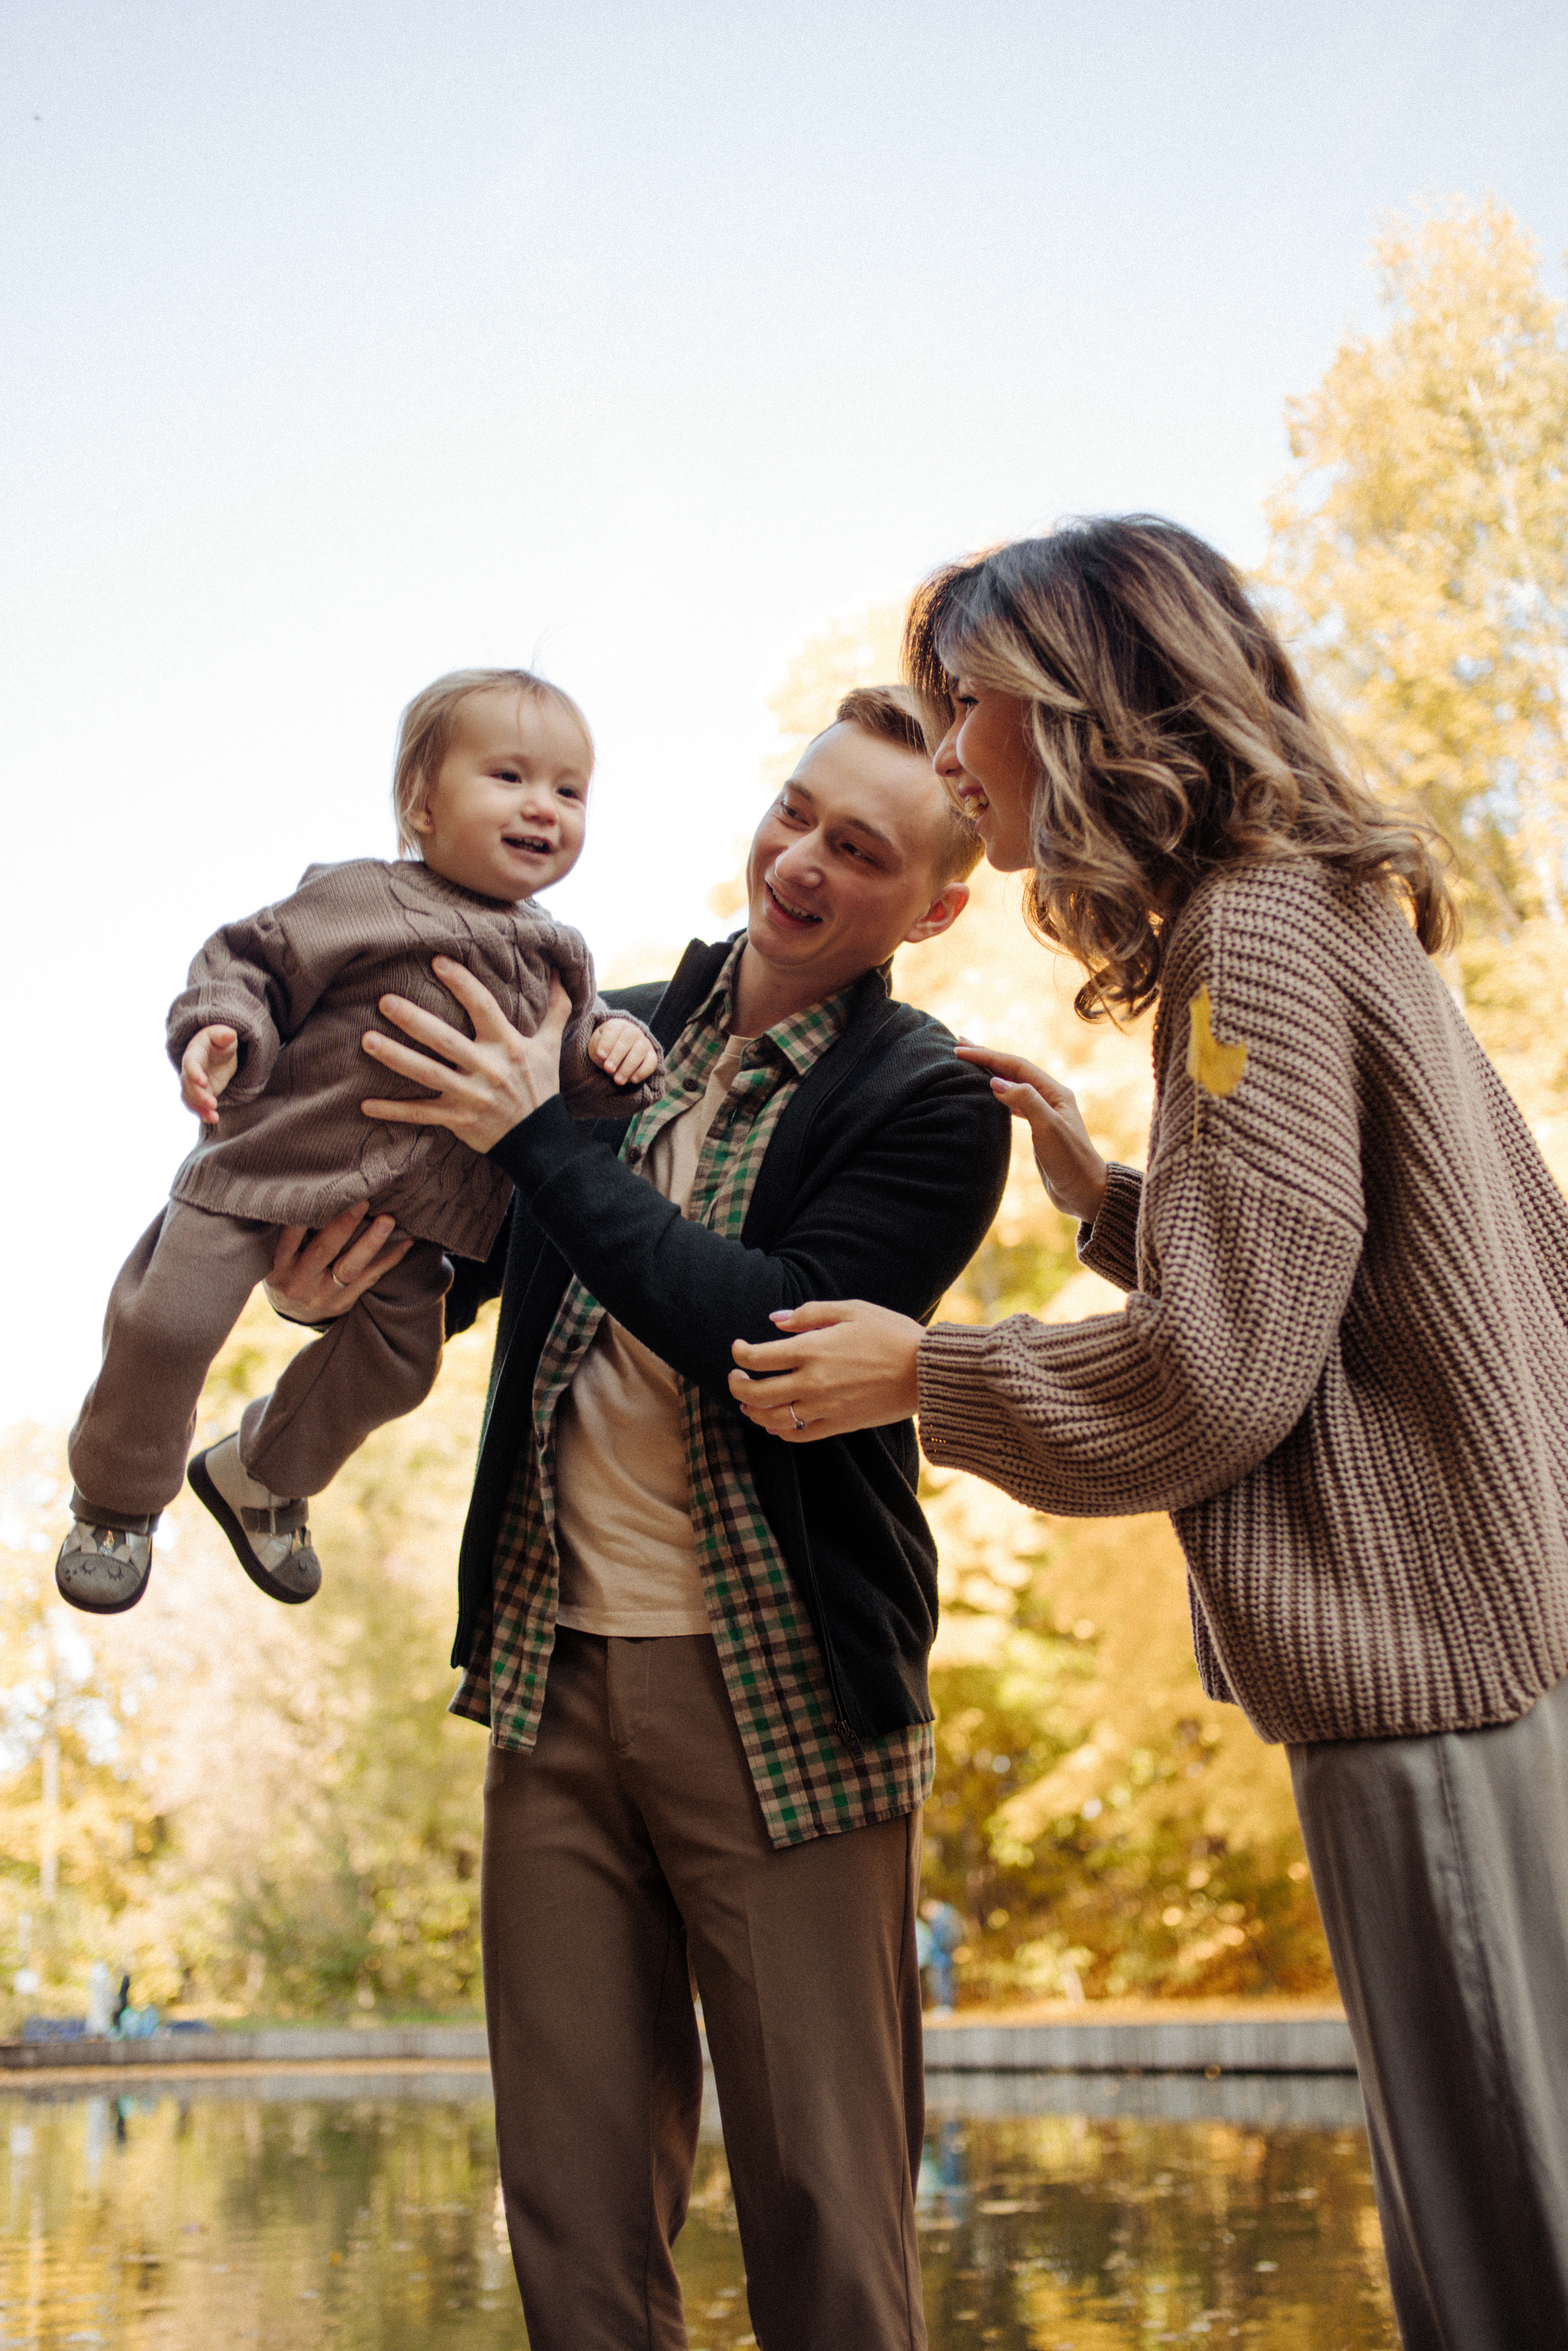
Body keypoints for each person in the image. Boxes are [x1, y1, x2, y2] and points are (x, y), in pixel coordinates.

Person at [729, 519, 1568, 2351]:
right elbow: (1400, 1268)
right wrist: (1117, 1199)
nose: (951, 748)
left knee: (1509, 2231)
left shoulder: (1243, 944)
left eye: (970, 701)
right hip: (1505, 1649)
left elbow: (1220, 1375)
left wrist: (925, 1375)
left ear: (1084, 699)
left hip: (1429, 1672)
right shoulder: (1315, 902)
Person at [267, 683, 1011, 2351]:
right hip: (553, 1675)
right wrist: (355, 1283)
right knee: (574, 2218)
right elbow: (474, 1251)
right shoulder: (594, 1024)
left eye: (862, 847)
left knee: (827, 2208)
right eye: (796, 812)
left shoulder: (928, 1103)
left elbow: (762, 1329)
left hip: (783, 1699)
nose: (800, 860)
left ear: (942, 903)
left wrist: (534, 1138)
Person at [58, 667, 662, 1617]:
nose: (544, 807)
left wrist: (618, 1052)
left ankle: (263, 1476)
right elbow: (246, 960)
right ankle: (116, 1502)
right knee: (167, 1322)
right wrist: (222, 1028)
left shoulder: (563, 956)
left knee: (399, 1366)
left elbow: (563, 1080)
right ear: (421, 802)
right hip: (270, 1165)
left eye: (570, 789)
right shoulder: (357, 897)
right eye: (508, 777)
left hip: (411, 1223)